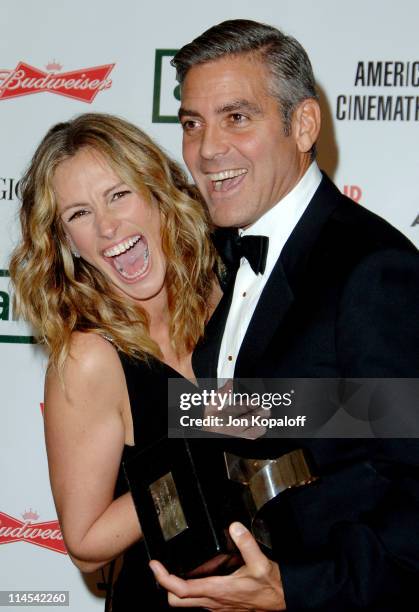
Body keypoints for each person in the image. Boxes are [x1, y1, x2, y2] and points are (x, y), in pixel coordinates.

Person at [149, 19, 419, 612]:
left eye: (236, 117)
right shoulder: (204, 260)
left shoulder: (374, 270)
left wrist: (294, 590)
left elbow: (410, 490)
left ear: (303, 125)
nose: (207, 148)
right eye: (192, 123)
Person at [9, 113, 222, 611]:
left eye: (118, 194)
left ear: (157, 193)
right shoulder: (89, 357)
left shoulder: (224, 296)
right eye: (78, 214)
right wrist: (198, 448)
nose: (107, 227)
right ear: (66, 243)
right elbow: (84, 542)